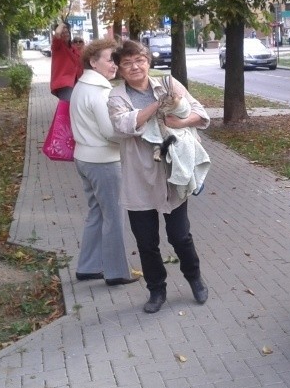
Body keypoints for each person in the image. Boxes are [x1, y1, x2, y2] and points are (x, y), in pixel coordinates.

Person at [108, 40, 210, 314]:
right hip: (139, 176)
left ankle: (195, 278)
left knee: (180, 236)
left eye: (139, 60)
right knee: (146, 241)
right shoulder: (116, 96)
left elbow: (200, 114)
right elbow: (124, 124)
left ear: (148, 61)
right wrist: (159, 105)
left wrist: (181, 122)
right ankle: (156, 290)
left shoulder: (167, 82)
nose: (134, 67)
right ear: (119, 68)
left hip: (172, 174)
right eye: (127, 63)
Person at [69, 38, 139, 286]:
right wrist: (135, 132)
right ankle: (117, 272)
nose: (115, 65)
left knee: (97, 213)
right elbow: (111, 131)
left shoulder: (81, 86)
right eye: (110, 59)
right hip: (104, 162)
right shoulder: (100, 92)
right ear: (93, 61)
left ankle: (88, 266)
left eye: (115, 60)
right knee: (113, 216)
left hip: (84, 158)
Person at [50, 21, 83, 101]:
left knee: (76, 108)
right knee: (68, 107)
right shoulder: (58, 46)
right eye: (63, 32)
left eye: (67, 32)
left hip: (76, 82)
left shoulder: (73, 48)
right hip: (64, 83)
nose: (65, 34)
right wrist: (63, 24)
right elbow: (57, 33)